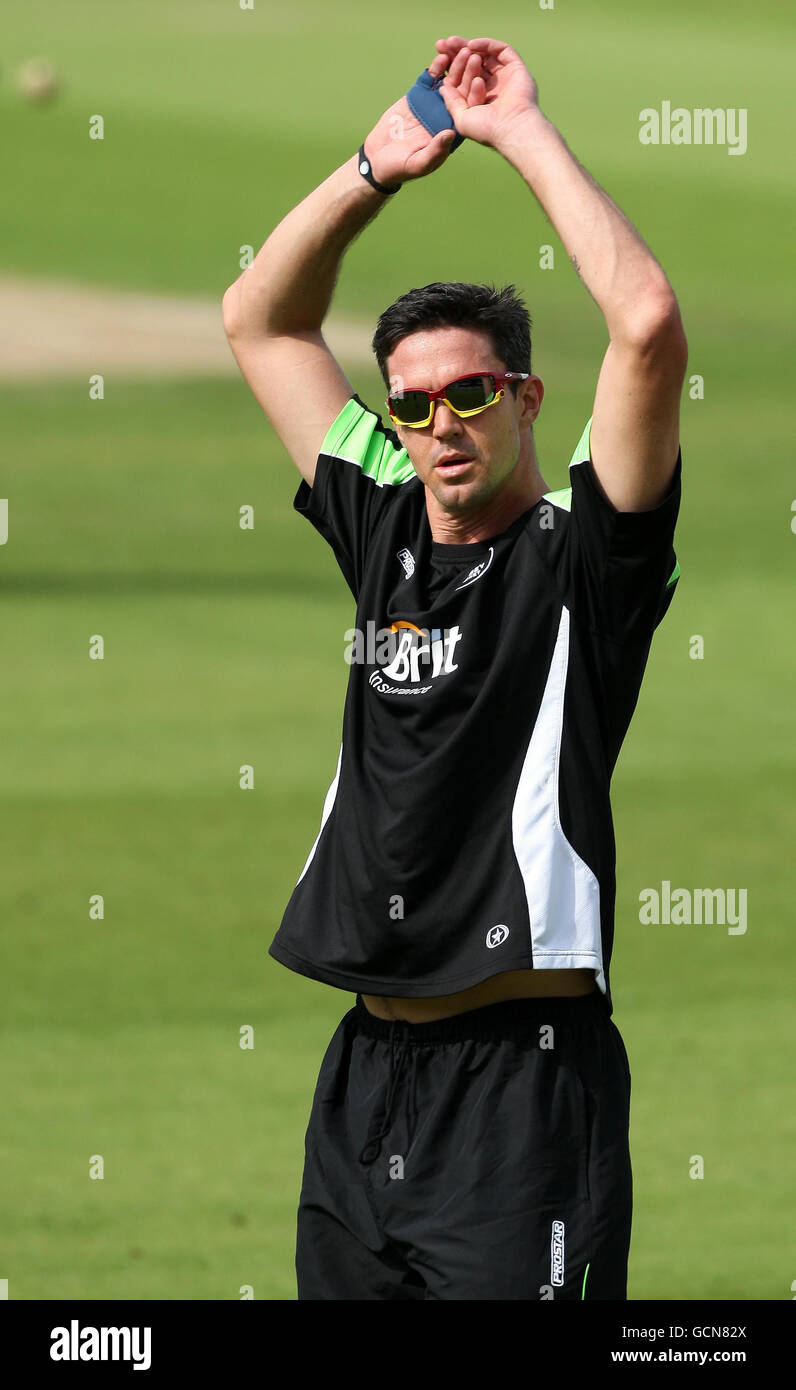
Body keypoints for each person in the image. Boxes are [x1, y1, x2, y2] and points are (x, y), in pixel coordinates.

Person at [222, 34, 687, 1300]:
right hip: (366, 1076)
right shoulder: (380, 517)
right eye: (413, 404)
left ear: (528, 398)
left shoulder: (586, 557)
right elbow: (261, 317)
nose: (439, 427)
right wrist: (379, 162)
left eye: (470, 394)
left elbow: (642, 324)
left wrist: (516, 130)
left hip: (525, 1086)